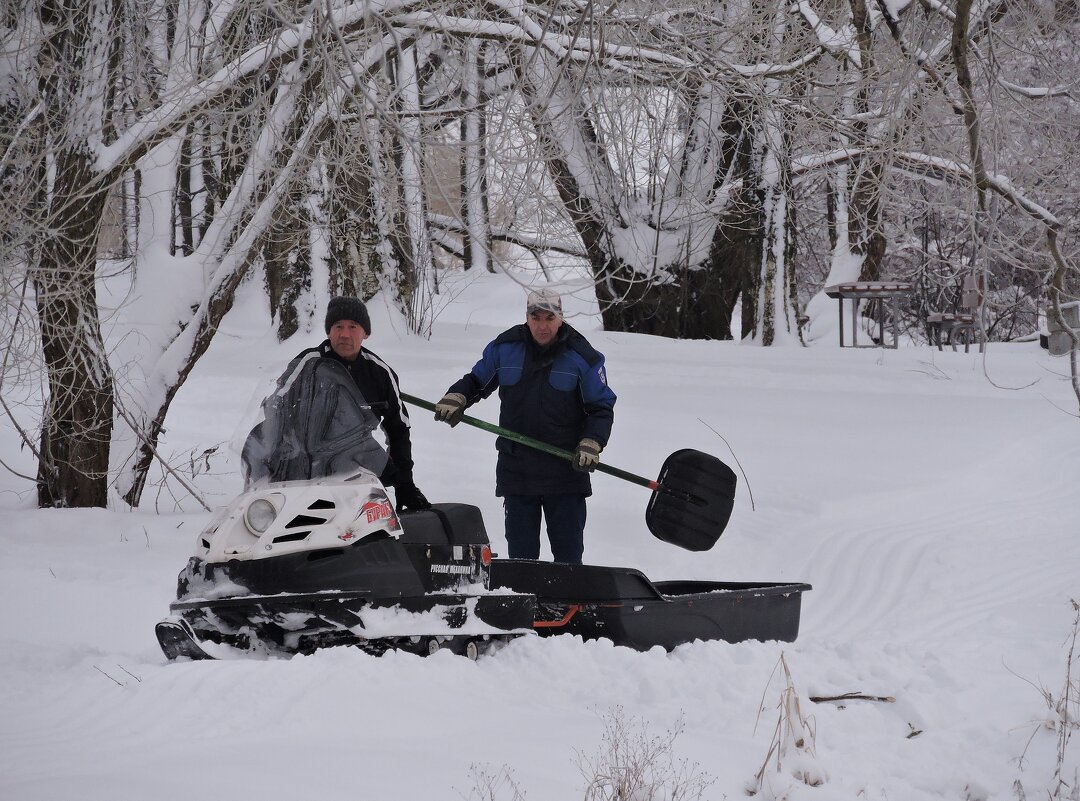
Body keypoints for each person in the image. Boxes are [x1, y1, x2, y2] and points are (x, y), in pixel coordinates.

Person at [434, 289, 615, 564]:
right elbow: (476, 380)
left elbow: (601, 408)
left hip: (565, 469)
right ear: (526, 318)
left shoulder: (582, 356)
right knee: (521, 557)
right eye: (535, 317)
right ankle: (525, 604)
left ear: (560, 318)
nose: (543, 326)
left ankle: (570, 604)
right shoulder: (506, 348)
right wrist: (457, 396)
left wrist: (592, 442)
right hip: (517, 468)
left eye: (549, 317)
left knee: (568, 557)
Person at [280, 296, 431, 512]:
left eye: (353, 327)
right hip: (303, 469)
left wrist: (404, 482)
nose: (344, 334)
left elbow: (399, 430)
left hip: (355, 467)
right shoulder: (308, 364)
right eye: (338, 326)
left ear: (365, 333)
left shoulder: (380, 373)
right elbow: (276, 409)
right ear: (328, 331)